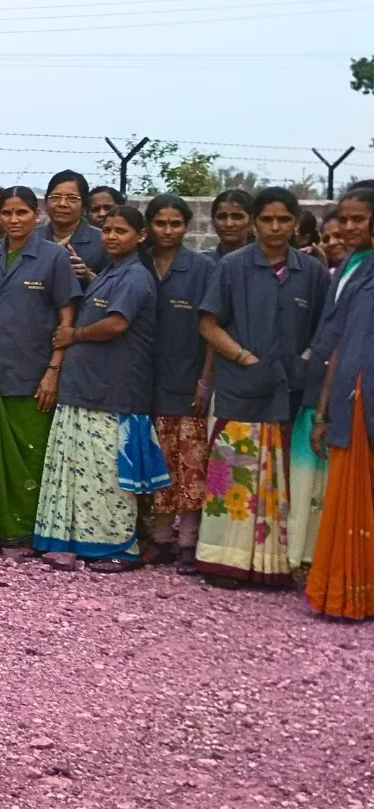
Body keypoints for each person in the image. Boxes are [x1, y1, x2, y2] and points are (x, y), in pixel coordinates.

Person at [194, 187, 327, 586]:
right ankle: (225, 561)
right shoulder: (232, 267)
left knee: (283, 478)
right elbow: (208, 325)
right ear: (255, 222)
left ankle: (275, 565)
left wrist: (303, 361)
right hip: (239, 389)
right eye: (266, 219)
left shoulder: (312, 273)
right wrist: (244, 359)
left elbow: (324, 330)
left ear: (296, 223)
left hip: (290, 393)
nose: (274, 227)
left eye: (283, 220)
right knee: (235, 478)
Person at [32, 205, 166, 569]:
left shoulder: (135, 276)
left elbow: (116, 324)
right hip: (87, 390)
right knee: (82, 473)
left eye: (121, 231)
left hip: (112, 394)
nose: (112, 237)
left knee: (107, 476)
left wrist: (73, 335)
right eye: (107, 230)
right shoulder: (111, 271)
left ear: (140, 236)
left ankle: (119, 549)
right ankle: (80, 543)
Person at [0, 187, 77, 549]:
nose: (13, 220)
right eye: (7, 213)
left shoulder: (54, 257)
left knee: (30, 452)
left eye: (21, 212)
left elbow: (66, 320)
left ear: (37, 215)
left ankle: (25, 533)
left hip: (33, 368)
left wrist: (54, 370)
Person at [296, 190, 374, 575]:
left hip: (364, 395)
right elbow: (340, 342)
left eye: (358, 219)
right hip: (348, 393)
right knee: (347, 493)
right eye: (343, 219)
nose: (347, 227)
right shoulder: (350, 267)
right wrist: (321, 410)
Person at [142, 194, 216, 572]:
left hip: (187, 380)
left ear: (187, 226)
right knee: (155, 460)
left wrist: (205, 380)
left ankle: (188, 541)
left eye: (175, 224)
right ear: (149, 226)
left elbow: (212, 328)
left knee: (189, 464)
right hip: (142, 381)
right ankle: (160, 539)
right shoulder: (137, 262)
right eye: (160, 223)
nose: (167, 231)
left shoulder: (203, 268)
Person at [38, 169, 107, 285]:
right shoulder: (32, 238)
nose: (62, 204)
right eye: (55, 197)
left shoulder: (103, 241)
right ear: (45, 201)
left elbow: (118, 288)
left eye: (72, 198)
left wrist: (90, 277)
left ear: (84, 205)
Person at [209, 189, 253, 258]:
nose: (228, 224)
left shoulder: (268, 261)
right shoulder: (203, 262)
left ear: (251, 221)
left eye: (237, 217)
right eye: (221, 217)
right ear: (213, 221)